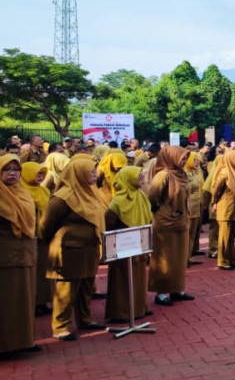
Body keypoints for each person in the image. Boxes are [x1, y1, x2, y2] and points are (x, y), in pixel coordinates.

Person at [42, 154, 107, 340]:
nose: (95, 175)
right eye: (90, 172)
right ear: (78, 174)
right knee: (67, 288)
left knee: (87, 285)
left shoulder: (90, 192)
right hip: (69, 249)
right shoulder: (63, 198)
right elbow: (46, 224)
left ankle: (84, 319)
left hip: (89, 247)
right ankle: (60, 326)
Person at [0, 154, 39, 356]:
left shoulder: (22, 192)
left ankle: (24, 341)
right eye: (7, 170)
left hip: (25, 253)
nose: (12, 173)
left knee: (25, 298)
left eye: (16, 170)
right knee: (8, 301)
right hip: (6, 257)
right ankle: (6, 345)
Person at [147, 145, 194, 307]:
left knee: (179, 257)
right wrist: (162, 212)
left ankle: (177, 288)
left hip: (181, 221)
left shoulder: (181, 174)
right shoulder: (163, 176)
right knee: (164, 258)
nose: (185, 161)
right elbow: (152, 198)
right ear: (171, 157)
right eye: (182, 158)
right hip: (165, 223)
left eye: (186, 158)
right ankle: (161, 292)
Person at [104, 166, 151, 321]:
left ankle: (139, 307)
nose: (142, 180)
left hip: (139, 241)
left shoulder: (141, 196)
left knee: (138, 276)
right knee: (122, 279)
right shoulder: (117, 201)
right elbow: (109, 222)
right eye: (138, 177)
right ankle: (121, 312)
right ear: (129, 179)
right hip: (122, 244)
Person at [21, 161, 53, 315]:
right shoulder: (21, 191)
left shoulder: (44, 191)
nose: (40, 177)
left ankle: (42, 301)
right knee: (33, 273)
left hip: (43, 236)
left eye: (42, 174)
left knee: (43, 272)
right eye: (37, 174)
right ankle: (33, 303)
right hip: (29, 236)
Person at [212, 149, 235, 270]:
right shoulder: (225, 173)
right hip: (226, 207)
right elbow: (216, 190)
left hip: (234, 208)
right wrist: (214, 202)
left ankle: (231, 260)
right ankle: (223, 261)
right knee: (224, 236)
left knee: (232, 235)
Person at [186, 152, 205, 263]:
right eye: (194, 160)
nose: (197, 162)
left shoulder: (195, 172)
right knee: (188, 233)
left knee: (193, 233)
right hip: (189, 207)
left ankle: (189, 256)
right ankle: (185, 258)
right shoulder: (185, 173)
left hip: (196, 205)